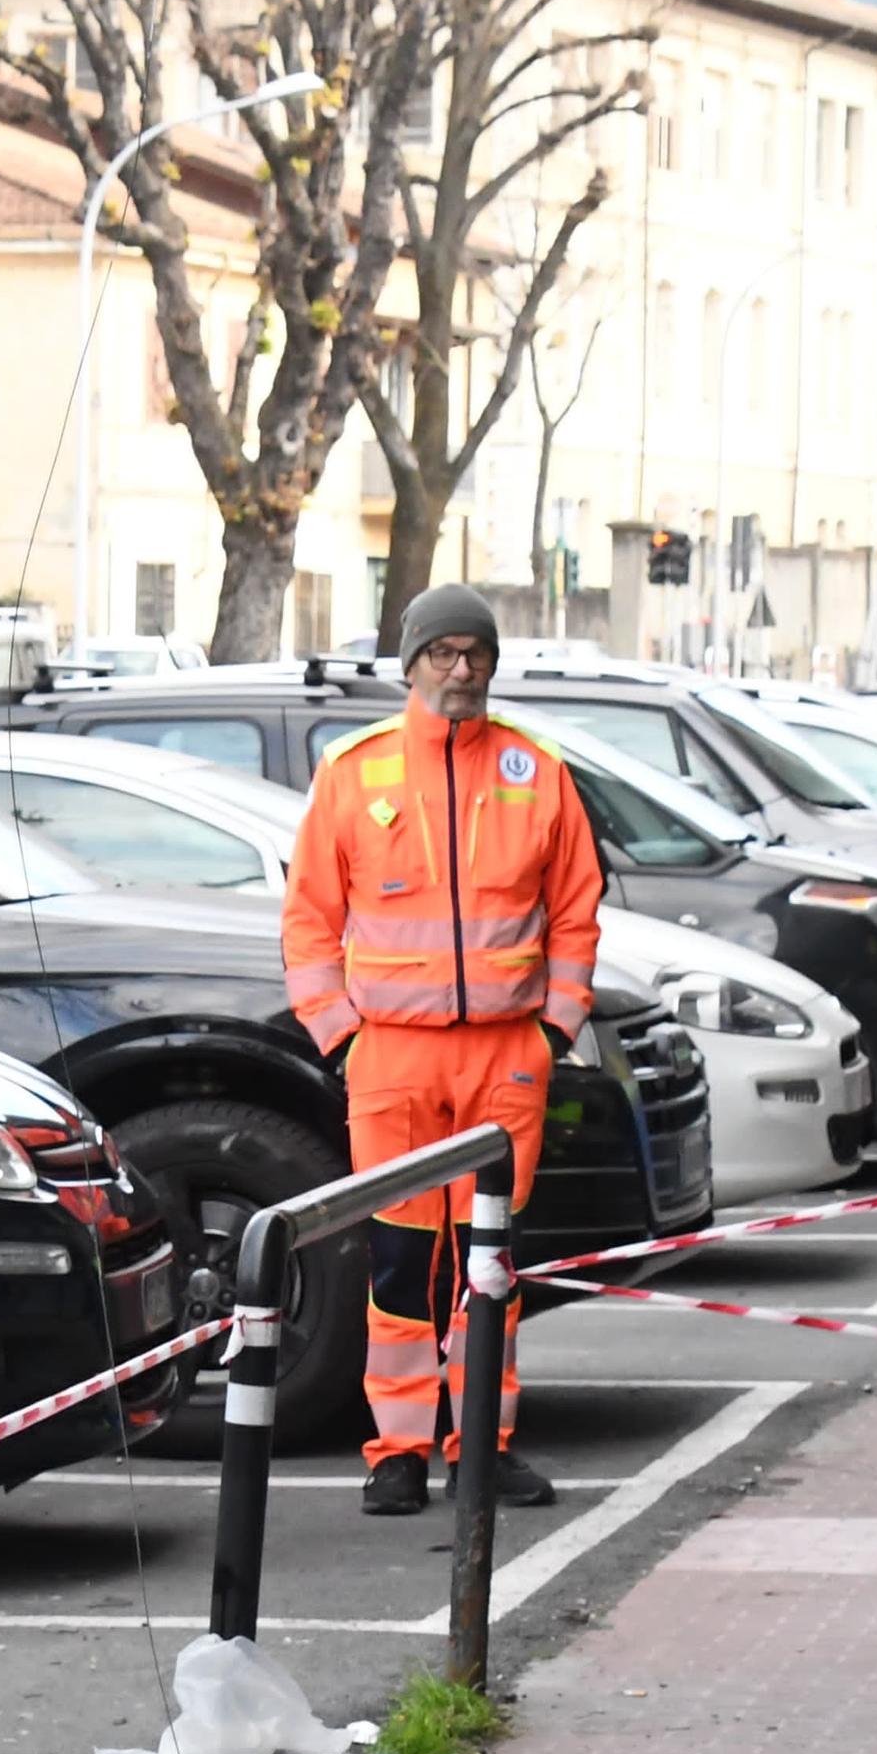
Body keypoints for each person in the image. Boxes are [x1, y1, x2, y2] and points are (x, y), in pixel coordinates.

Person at [283, 583, 605, 1516]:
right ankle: (398, 1450)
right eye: (443, 654)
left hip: (506, 1058)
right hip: (389, 1059)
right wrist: (340, 1039)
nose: (460, 671)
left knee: (490, 1258)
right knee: (397, 1262)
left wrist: (554, 1028)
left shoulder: (535, 770)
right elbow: (309, 922)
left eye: (475, 654)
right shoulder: (354, 772)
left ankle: (485, 1446)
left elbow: (578, 910)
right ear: (412, 662)